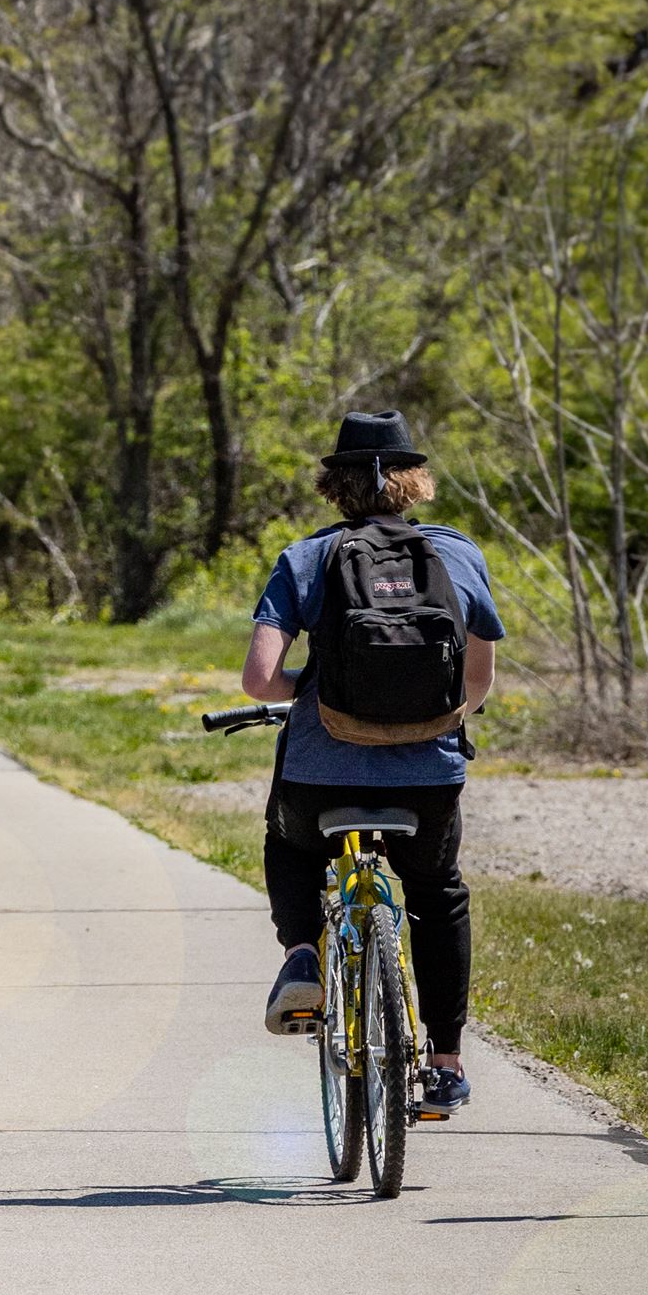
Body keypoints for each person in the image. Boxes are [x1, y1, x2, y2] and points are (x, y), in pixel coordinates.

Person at [240, 411, 502, 1116]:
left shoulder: (303, 558)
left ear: (335, 486)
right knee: (438, 893)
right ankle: (445, 1065)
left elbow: (261, 682)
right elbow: (475, 688)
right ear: (415, 482)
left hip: (322, 771)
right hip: (428, 780)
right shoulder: (459, 556)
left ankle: (302, 953)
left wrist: (319, 690)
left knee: (289, 843)